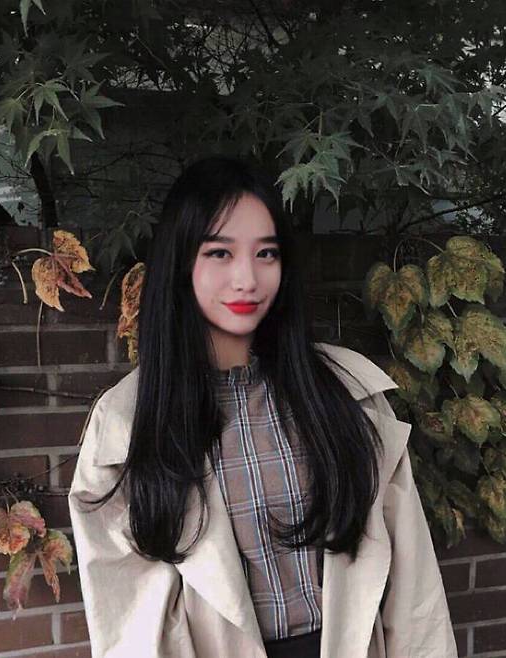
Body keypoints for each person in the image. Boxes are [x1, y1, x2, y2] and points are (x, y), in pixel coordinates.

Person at [68, 155, 458, 658]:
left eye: (266, 253)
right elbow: (127, 622)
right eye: (220, 253)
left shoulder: (346, 392)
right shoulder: (125, 423)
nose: (247, 278)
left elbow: (413, 588)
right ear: (181, 264)